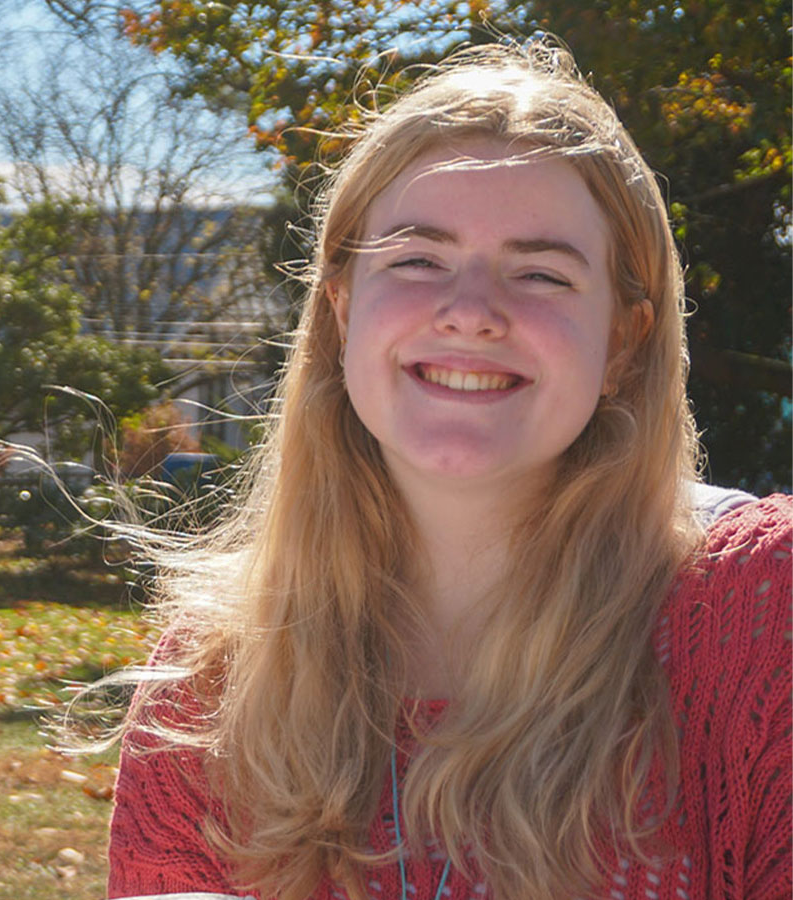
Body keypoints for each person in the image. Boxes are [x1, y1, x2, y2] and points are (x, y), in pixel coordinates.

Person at [105, 38, 791, 900]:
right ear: (344, 305)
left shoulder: (764, 609)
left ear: (623, 339)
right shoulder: (211, 677)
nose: (470, 314)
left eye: (540, 272)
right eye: (418, 259)